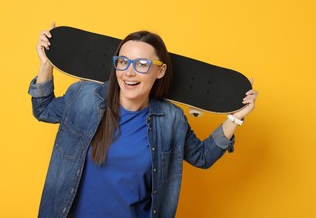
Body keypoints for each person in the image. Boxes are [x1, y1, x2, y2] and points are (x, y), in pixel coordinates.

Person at [28, 22, 258, 218]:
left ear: (160, 71)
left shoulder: (171, 119)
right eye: (123, 61)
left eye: (141, 65)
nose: (129, 72)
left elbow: (202, 157)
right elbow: (43, 109)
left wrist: (235, 118)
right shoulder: (84, 96)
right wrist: (47, 62)